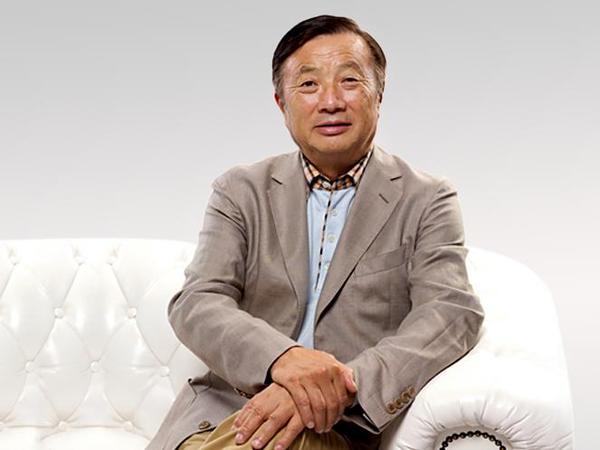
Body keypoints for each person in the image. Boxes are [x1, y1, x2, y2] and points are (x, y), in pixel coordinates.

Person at [147, 14, 484, 450]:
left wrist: (337, 385)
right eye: (308, 84)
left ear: (379, 93)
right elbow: (198, 301)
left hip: (336, 426)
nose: (330, 101)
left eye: (349, 81)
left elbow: (450, 313)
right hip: (226, 414)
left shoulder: (427, 199)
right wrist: (283, 360)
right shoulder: (240, 190)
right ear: (281, 103)